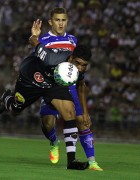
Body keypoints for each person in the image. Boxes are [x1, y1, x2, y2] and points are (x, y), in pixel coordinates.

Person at [0, 19, 89, 170]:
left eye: (83, 65)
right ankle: (6, 98)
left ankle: (71, 160)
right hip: (31, 80)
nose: (79, 68)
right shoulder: (51, 57)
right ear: (71, 58)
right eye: (77, 63)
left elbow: (81, 86)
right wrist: (34, 35)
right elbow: (33, 42)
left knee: (69, 112)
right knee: (15, 110)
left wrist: (84, 112)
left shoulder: (75, 72)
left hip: (53, 84)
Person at [38, 7, 103, 171]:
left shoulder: (73, 40)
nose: (60, 24)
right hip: (50, 87)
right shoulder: (43, 39)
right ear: (51, 21)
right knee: (47, 123)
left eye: (63, 20)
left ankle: (92, 161)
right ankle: (54, 141)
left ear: (67, 21)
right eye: (57, 20)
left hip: (70, 87)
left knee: (82, 120)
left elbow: (77, 66)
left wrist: (85, 108)